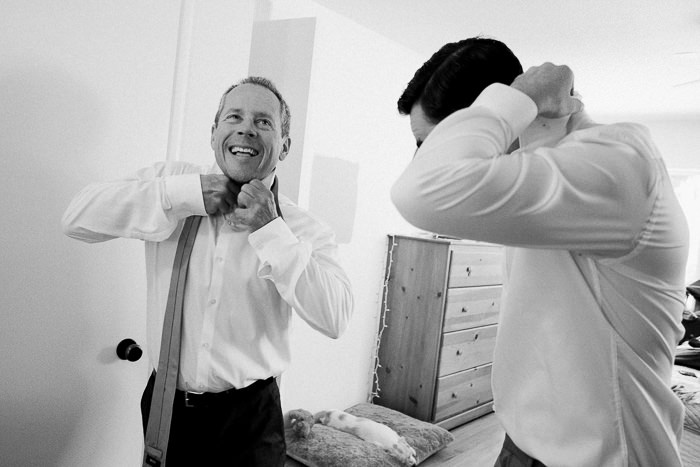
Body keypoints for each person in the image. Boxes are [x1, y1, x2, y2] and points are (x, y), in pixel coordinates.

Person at [391, 37, 689, 467]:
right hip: (521, 446)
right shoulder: (540, 175)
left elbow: (420, 192)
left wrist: (523, 96)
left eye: (433, 142)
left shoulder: (617, 163)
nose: (424, 157)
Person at [62, 76, 353, 466]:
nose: (246, 127)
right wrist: (181, 196)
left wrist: (272, 231)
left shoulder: (303, 228)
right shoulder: (170, 183)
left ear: (284, 146)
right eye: (234, 116)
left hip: (251, 419)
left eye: (263, 121)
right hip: (167, 407)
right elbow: (76, 218)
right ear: (214, 132)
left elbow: (335, 318)